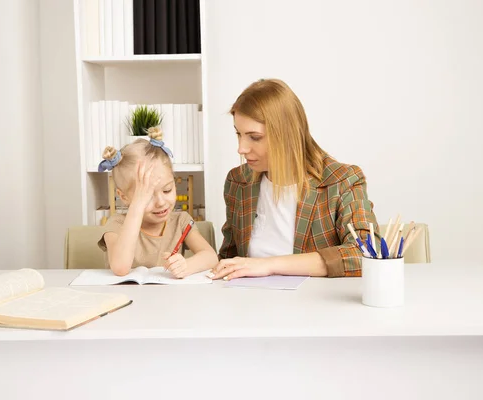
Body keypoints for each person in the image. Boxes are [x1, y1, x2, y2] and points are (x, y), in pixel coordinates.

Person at [210, 78, 380, 280]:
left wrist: (269, 265)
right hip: (251, 305)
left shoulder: (341, 181)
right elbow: (229, 259)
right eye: (239, 134)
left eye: (254, 137)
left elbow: (367, 253)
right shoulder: (238, 181)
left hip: (314, 306)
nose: (241, 148)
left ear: (286, 135)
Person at [98, 128, 218, 278]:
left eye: (167, 190)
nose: (161, 202)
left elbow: (211, 257)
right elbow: (120, 268)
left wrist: (186, 266)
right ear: (124, 197)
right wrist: (137, 206)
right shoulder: (116, 224)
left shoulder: (181, 221)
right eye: (147, 197)